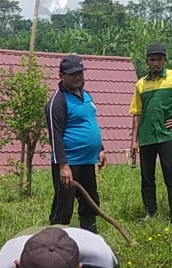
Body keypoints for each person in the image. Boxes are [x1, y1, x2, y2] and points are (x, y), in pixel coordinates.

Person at [46, 54, 107, 233]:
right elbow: (55, 137)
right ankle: (55, 242)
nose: (77, 77)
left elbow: (91, 123)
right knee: (64, 205)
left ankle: (89, 238)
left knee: (90, 202)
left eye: (80, 73)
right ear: (61, 75)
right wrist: (63, 166)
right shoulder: (57, 102)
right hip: (70, 163)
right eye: (72, 74)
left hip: (88, 161)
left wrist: (100, 149)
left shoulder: (87, 96)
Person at [130, 42, 172, 225]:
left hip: (166, 135)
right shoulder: (141, 84)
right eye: (152, 60)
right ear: (147, 61)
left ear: (165, 60)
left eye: (159, 60)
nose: (156, 63)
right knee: (147, 178)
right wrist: (133, 140)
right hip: (147, 137)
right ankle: (150, 214)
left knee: (171, 175)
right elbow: (137, 113)